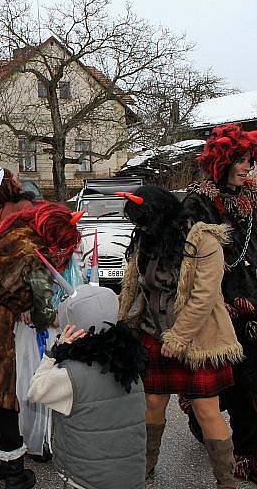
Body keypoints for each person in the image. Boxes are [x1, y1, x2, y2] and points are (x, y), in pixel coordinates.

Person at [118, 185, 242, 487]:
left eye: (143, 220)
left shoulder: (204, 240)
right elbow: (135, 288)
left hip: (198, 338)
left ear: (160, 214)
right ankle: (144, 469)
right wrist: (124, 327)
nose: (140, 228)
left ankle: (226, 481)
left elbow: (204, 297)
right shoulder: (146, 240)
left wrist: (179, 337)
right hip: (153, 334)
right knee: (152, 402)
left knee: (206, 409)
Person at [0, 203, 82, 488]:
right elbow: (42, 307)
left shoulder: (3, 235)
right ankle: (15, 473)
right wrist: (49, 316)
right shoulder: (33, 250)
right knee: (1, 397)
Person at [183, 123, 257, 481]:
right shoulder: (198, 202)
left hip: (253, 297)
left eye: (250, 160)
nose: (247, 167)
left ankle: (247, 447)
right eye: (241, 161)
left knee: (250, 382)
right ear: (222, 162)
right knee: (236, 383)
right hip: (222, 305)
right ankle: (240, 450)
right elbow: (192, 263)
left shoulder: (251, 197)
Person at [28, 283, 147, 489]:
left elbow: (36, 391)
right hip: (130, 475)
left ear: (70, 327)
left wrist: (54, 353)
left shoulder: (70, 374)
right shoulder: (130, 363)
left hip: (86, 478)